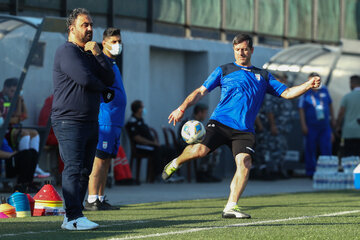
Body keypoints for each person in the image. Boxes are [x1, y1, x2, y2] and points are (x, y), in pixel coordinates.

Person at [162, 33, 321, 219]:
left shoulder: (263, 75)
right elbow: (200, 91)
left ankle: (231, 206)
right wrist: (182, 108)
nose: (241, 53)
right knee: (200, 151)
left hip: (244, 130)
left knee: (245, 163)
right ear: (233, 50)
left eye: (245, 49)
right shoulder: (224, 70)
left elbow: (287, 93)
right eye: (237, 50)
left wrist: (308, 85)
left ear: (252, 50)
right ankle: (176, 162)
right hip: (220, 123)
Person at [52, 8, 114, 230]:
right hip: (68, 121)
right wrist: (104, 90)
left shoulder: (90, 53)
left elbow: (109, 76)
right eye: (84, 25)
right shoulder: (66, 51)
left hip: (89, 120)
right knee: (74, 168)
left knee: (84, 171)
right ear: (72, 28)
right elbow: (84, 79)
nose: (89, 29)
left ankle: (73, 216)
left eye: (91, 24)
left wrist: (98, 53)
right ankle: (73, 216)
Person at [85, 27, 126, 211]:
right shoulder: (102, 63)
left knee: (108, 160)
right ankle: (91, 199)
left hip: (116, 121)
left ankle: (100, 198)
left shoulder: (113, 64)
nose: (118, 45)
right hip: (106, 120)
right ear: (105, 43)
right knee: (99, 161)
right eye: (114, 41)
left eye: (119, 41)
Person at [0, 78, 49, 178]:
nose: (14, 93)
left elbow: (23, 115)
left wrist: (20, 99)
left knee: (34, 132)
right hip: (6, 131)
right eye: (12, 91)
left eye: (16, 91)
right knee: (24, 134)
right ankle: (24, 166)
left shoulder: (13, 99)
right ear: (5, 88)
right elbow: (7, 120)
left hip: (14, 128)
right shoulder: (1, 99)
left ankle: (34, 166)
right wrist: (15, 119)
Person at [126, 100, 178, 183]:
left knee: (170, 150)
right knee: (158, 150)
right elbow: (137, 138)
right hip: (140, 146)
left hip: (150, 145)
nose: (144, 109)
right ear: (138, 109)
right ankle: (159, 175)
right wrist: (152, 143)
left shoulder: (140, 120)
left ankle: (171, 173)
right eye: (142, 107)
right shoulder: (132, 121)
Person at [255, 72, 295, 178]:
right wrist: (273, 125)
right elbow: (269, 111)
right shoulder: (271, 92)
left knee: (280, 148)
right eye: (281, 79)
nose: (284, 81)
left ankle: (278, 169)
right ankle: (268, 170)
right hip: (272, 127)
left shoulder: (283, 90)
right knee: (270, 149)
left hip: (282, 127)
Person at [298, 72, 335, 177]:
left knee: (326, 148)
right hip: (311, 126)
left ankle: (328, 172)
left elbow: (330, 104)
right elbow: (301, 109)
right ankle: (311, 172)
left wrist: (333, 119)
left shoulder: (324, 90)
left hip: (324, 126)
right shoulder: (305, 92)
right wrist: (303, 125)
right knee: (310, 149)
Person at [177, 103, 221, 182]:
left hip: (194, 143)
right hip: (186, 145)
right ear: (200, 112)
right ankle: (201, 174)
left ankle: (208, 173)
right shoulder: (191, 122)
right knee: (206, 150)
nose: (205, 115)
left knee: (215, 149)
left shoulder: (198, 122)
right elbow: (189, 139)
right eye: (205, 113)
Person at [336, 75, 360, 157]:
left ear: (352, 84)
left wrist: (338, 126)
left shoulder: (347, 97)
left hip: (348, 132)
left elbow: (340, 114)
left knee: (348, 158)